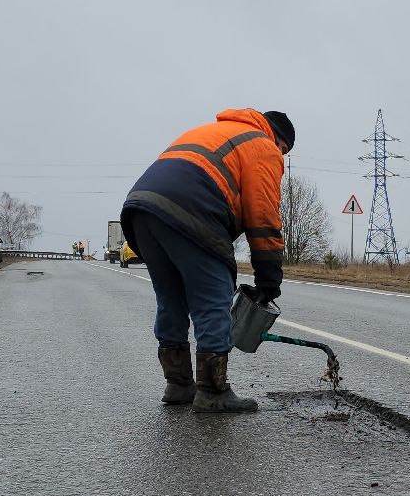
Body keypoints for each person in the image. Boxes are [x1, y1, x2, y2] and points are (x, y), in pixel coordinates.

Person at [121, 108, 293, 413]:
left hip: (142, 210)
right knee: (212, 297)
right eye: (284, 152)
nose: (282, 159)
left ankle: (178, 384)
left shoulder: (218, 131)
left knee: (171, 298)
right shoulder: (263, 145)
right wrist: (269, 278)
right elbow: (263, 215)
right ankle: (213, 392)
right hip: (191, 207)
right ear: (278, 139)